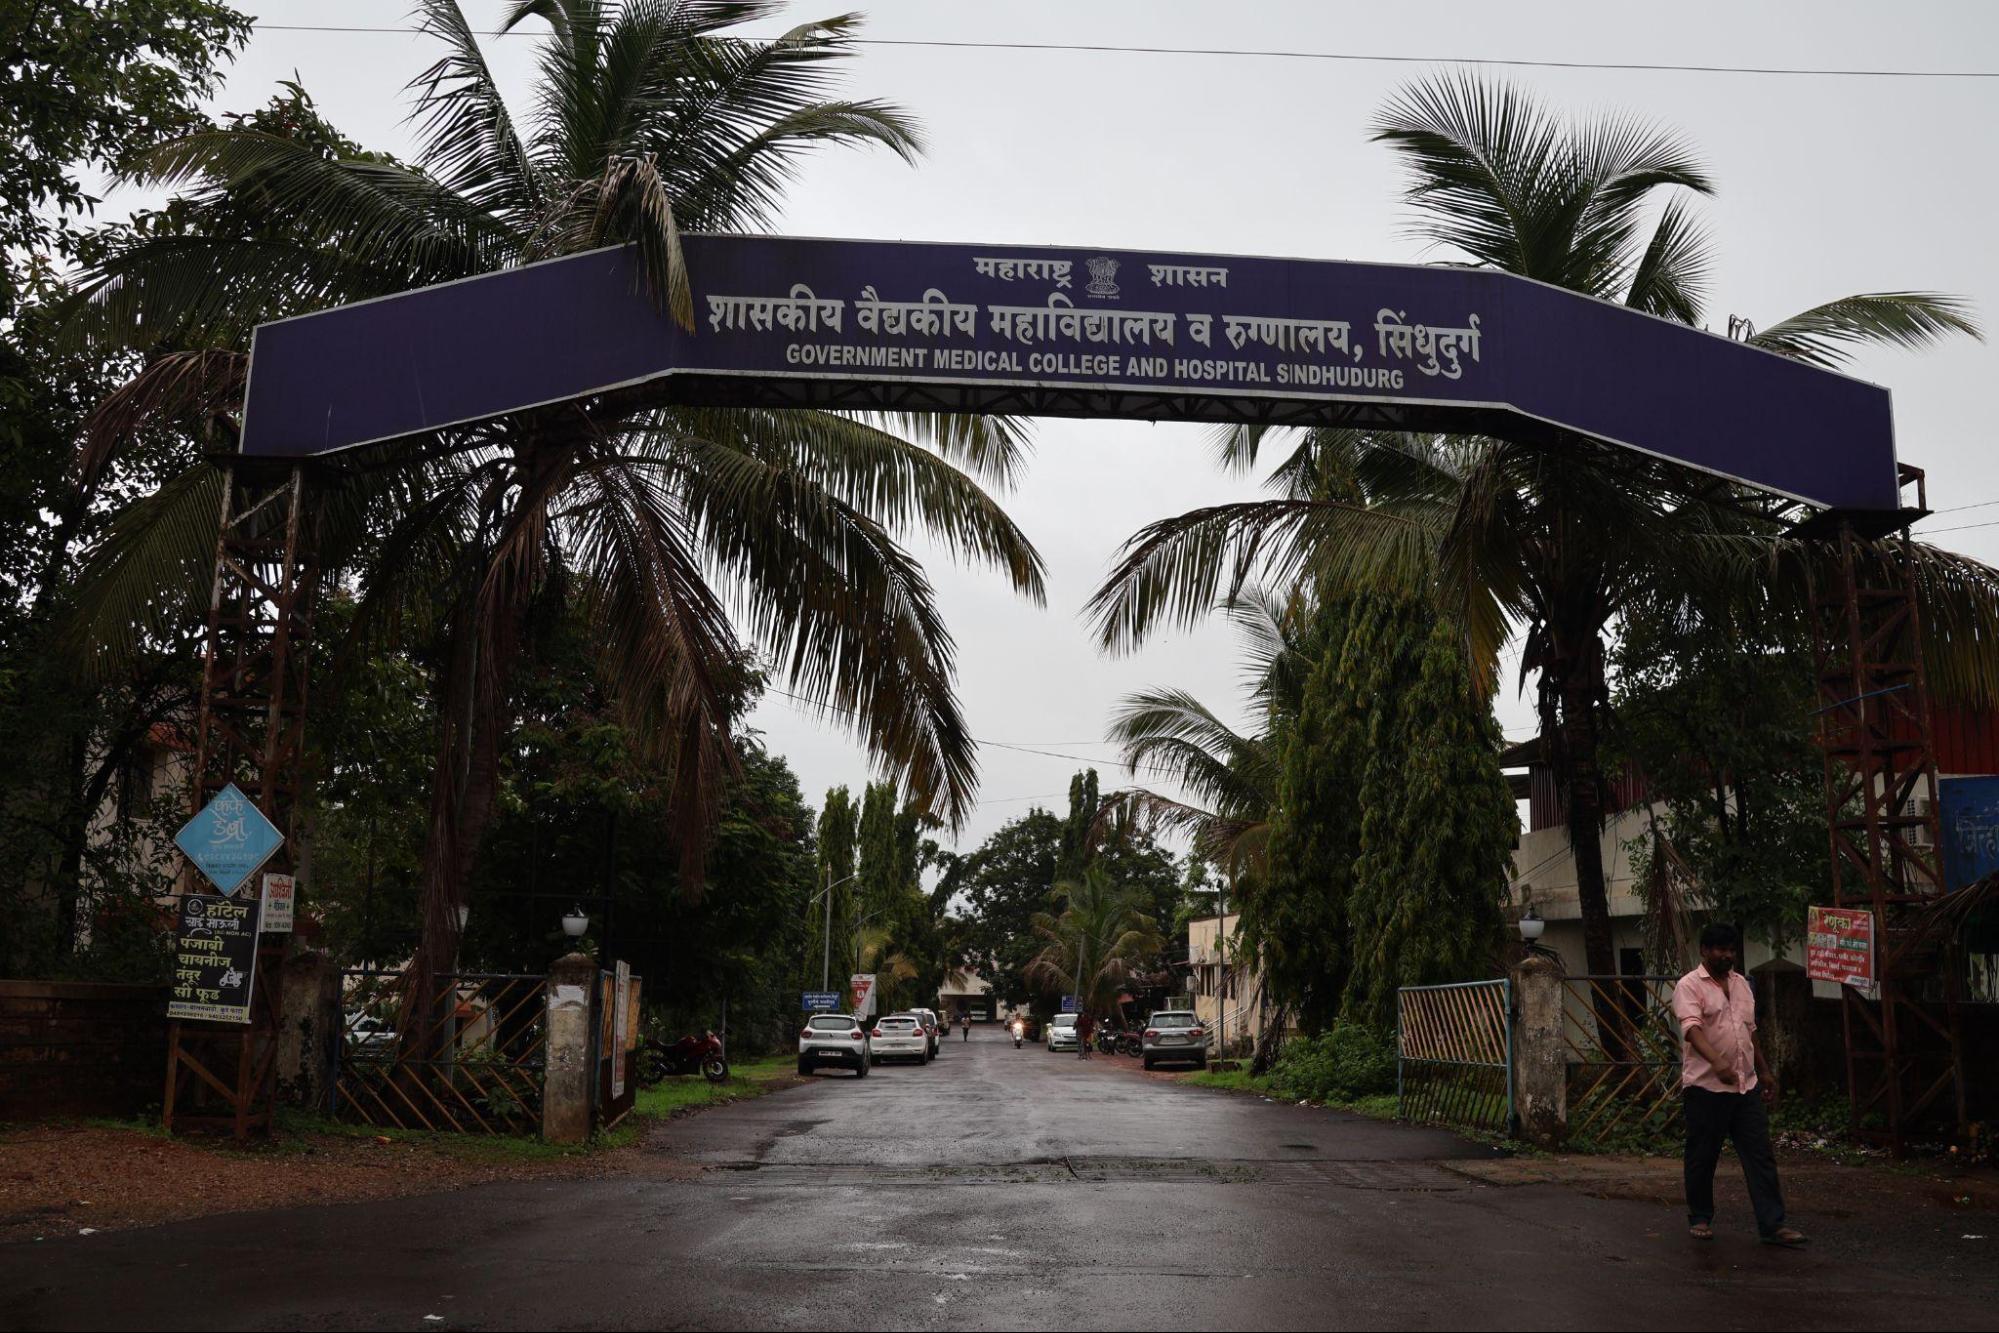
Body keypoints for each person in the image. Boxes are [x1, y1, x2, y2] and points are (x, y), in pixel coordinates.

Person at [1672, 922, 1807, 1247]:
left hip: (1746, 1087)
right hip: (1705, 1088)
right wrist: (1717, 1063)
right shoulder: (1689, 986)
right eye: (1719, 949)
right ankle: (1701, 1217)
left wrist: (1764, 1071)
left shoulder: (1742, 984)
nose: (1726, 955)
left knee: (1760, 1156)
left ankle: (1773, 1226)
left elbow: (1750, 1030)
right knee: (1703, 1155)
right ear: (1704, 951)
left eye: (1730, 950)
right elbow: (1691, 1029)